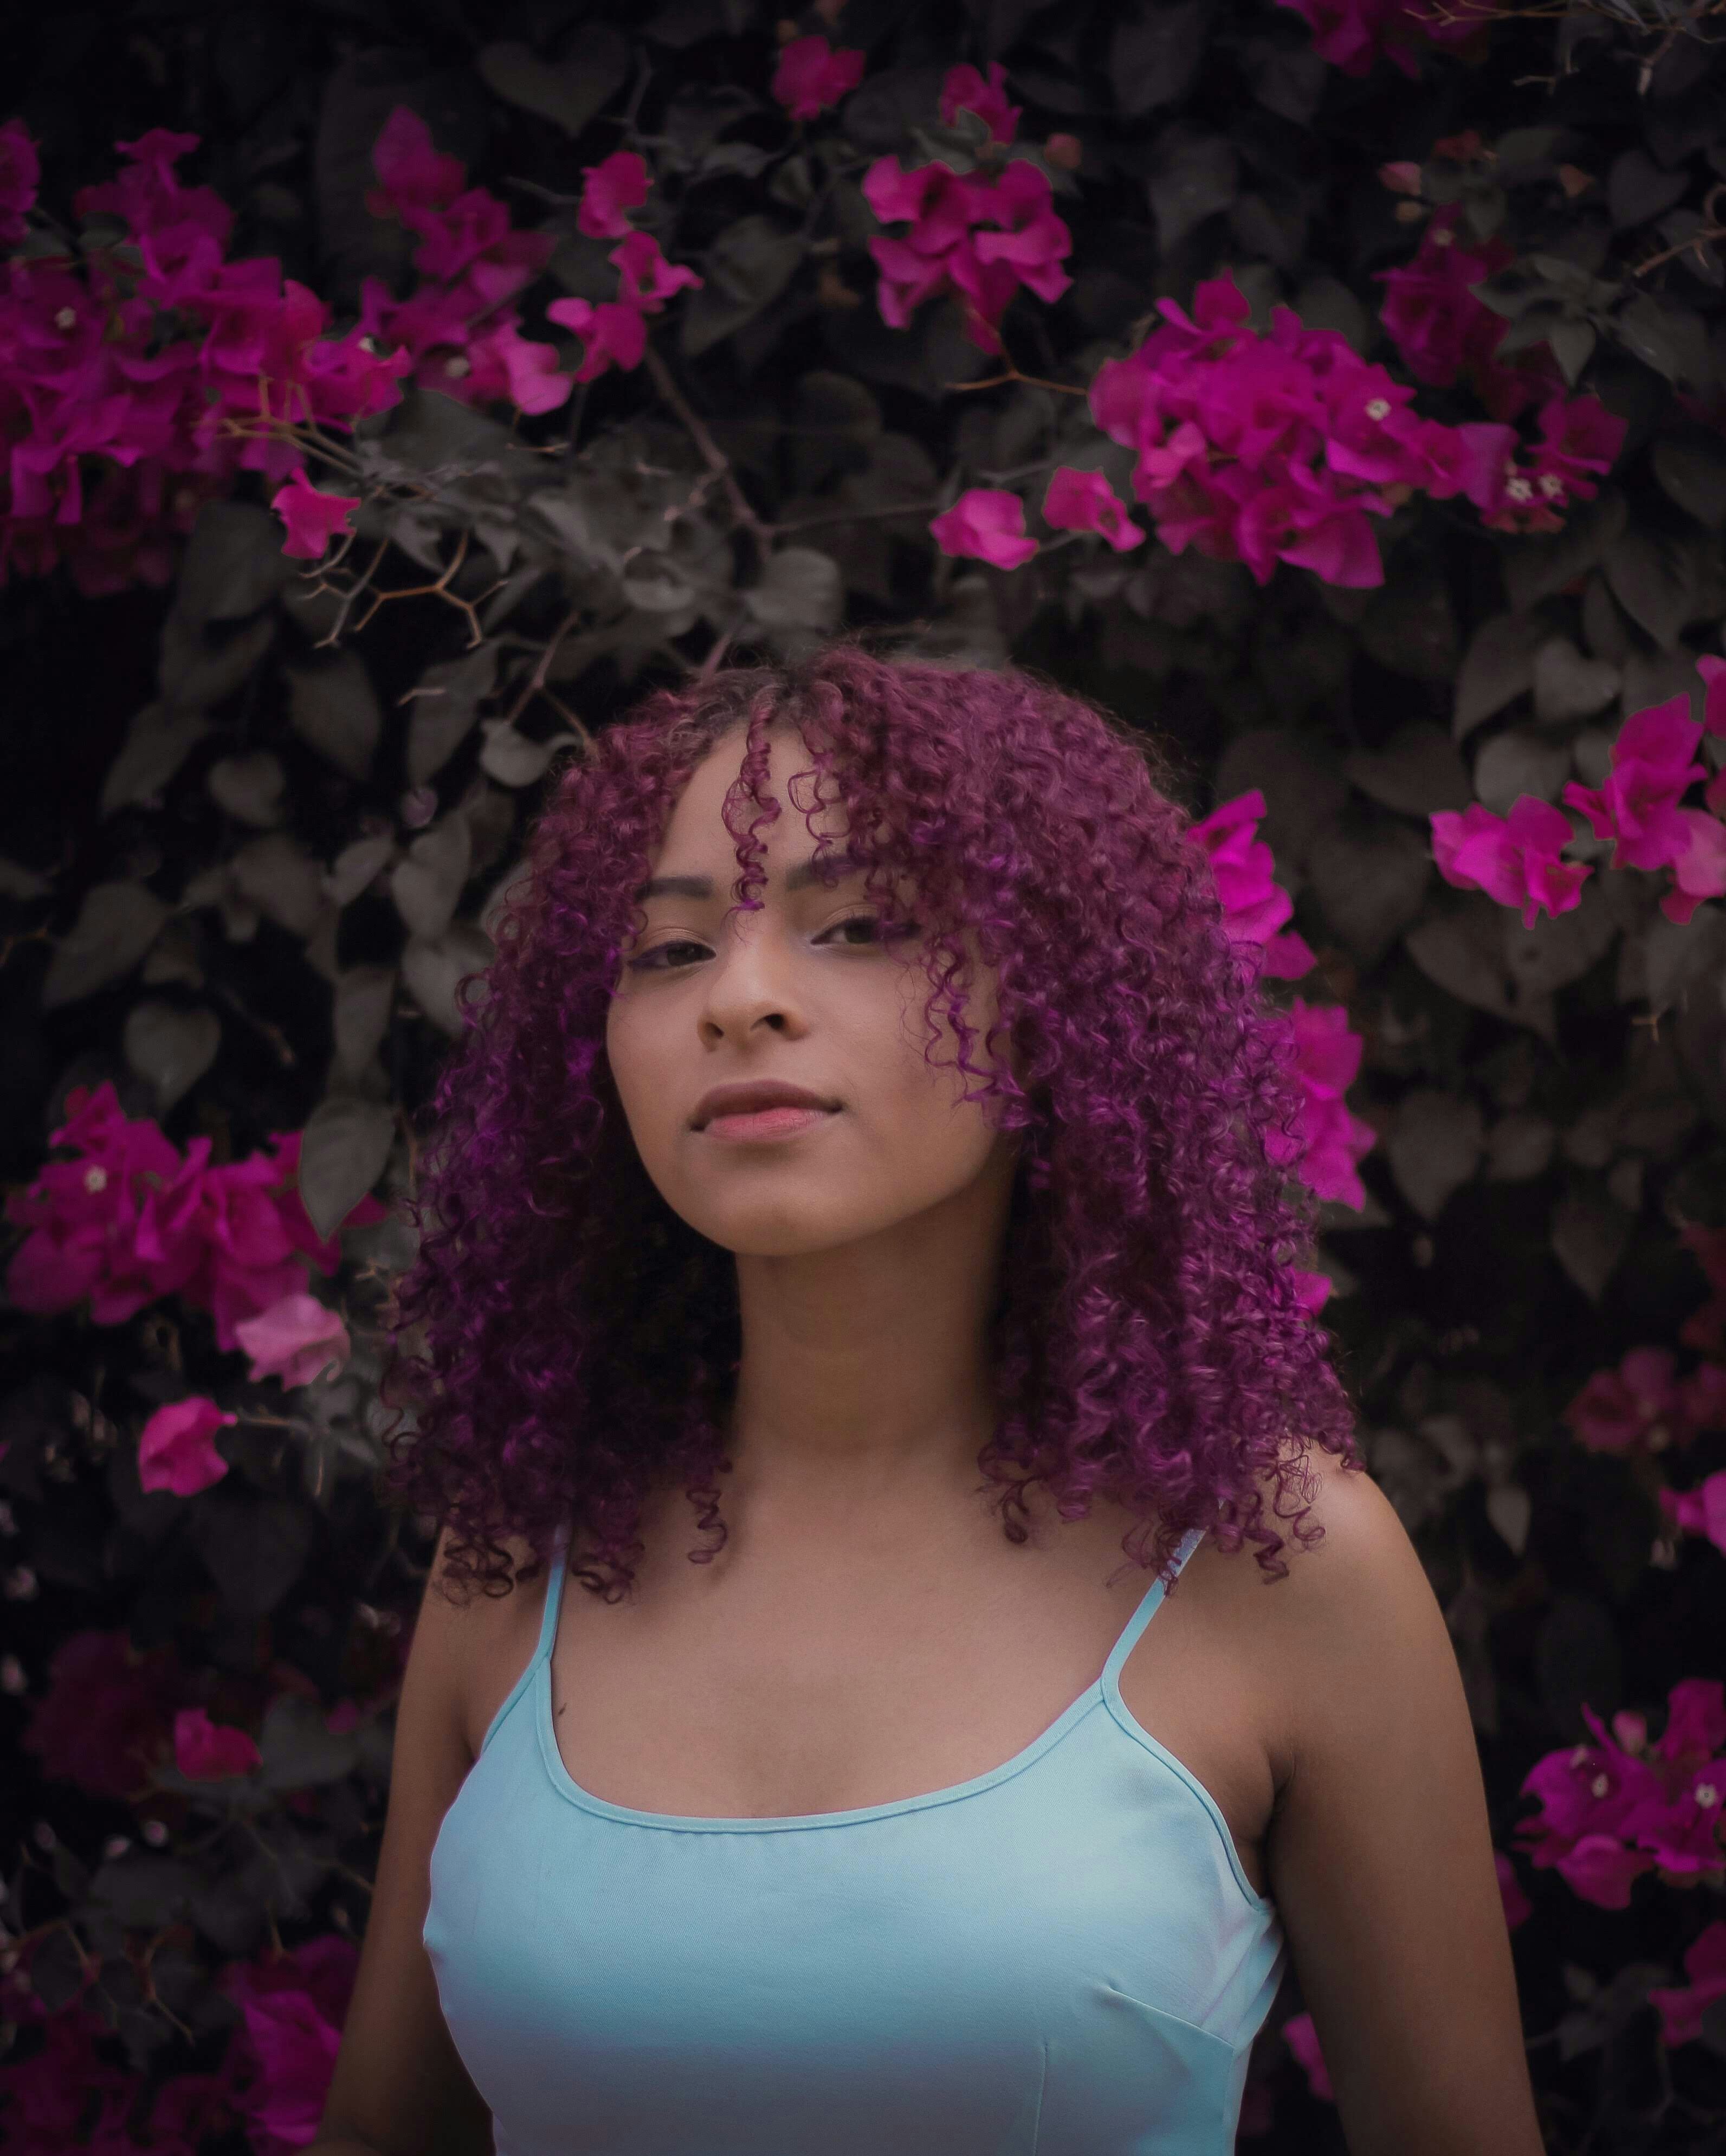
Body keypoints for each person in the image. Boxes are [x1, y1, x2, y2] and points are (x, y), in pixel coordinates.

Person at [311, 640, 1543, 2156]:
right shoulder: (520, 1554)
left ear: (1055, 1007)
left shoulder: (1273, 1557)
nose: (741, 1000)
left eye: (862, 924)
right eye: (670, 950)